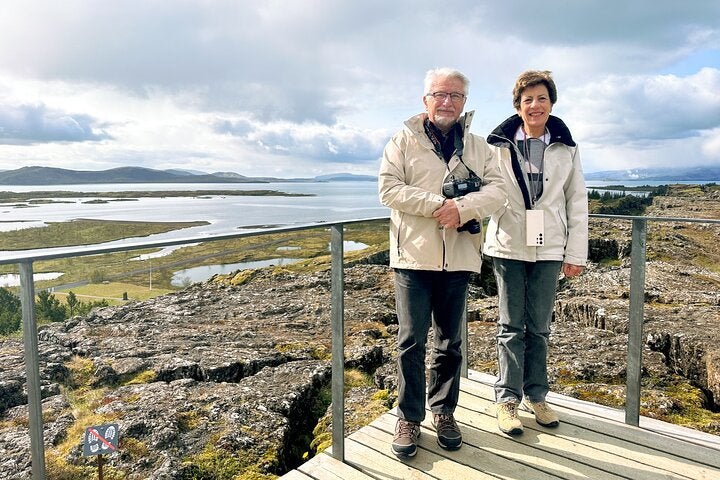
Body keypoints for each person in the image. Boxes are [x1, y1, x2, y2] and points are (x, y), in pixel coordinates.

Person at [379, 67, 506, 457]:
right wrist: (442, 206)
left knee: (451, 343)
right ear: (426, 100)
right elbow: (388, 189)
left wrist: (465, 207)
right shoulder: (402, 140)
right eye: (439, 94)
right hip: (413, 257)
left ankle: (444, 411)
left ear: (465, 102)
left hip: (460, 259)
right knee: (411, 342)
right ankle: (408, 417)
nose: (447, 102)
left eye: (455, 96)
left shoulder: (480, 146)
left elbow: (499, 191)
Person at [483, 70, 588, 435]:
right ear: (518, 105)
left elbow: (576, 200)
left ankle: (536, 395)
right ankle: (507, 400)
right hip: (508, 244)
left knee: (540, 328)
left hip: (550, 246)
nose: (535, 105)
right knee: (511, 326)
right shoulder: (495, 144)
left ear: (551, 103)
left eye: (541, 98)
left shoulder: (567, 147)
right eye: (528, 99)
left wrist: (575, 253)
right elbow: (484, 190)